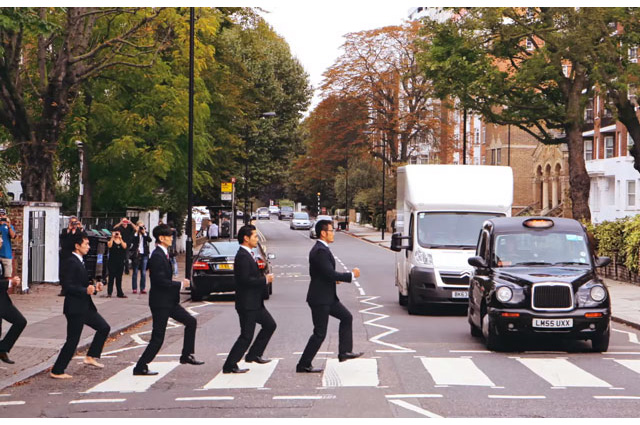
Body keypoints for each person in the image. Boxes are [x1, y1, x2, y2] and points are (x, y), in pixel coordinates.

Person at [133, 224, 203, 376]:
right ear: (161, 238)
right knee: (158, 338)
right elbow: (159, 281)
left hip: (169, 301)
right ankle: (140, 366)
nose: (172, 238)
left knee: (191, 321)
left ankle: (186, 355)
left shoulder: (163, 254)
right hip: (160, 303)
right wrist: (180, 284)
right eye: (169, 236)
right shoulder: (157, 256)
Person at [296, 220, 363, 373]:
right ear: (323, 233)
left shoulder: (323, 249)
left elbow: (324, 274)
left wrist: (335, 279)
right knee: (320, 333)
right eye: (331, 231)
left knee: (346, 317)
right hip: (320, 299)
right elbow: (329, 273)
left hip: (328, 297)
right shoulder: (320, 251)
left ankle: (344, 352)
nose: (333, 233)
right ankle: (303, 364)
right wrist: (351, 275)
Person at [50, 232, 110, 379]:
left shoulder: (80, 261)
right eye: (86, 244)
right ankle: (57, 370)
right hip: (75, 308)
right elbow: (67, 286)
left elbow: (82, 283)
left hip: (85, 306)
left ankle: (91, 356)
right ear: (77, 246)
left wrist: (94, 287)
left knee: (104, 327)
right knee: (73, 340)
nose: (88, 247)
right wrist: (85, 290)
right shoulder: (71, 262)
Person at [222, 225, 276, 374]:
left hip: (255, 303)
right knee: (246, 336)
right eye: (255, 236)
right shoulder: (242, 256)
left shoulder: (248, 254)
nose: (257, 239)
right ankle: (229, 365)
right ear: (246, 238)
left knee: (270, 325)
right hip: (247, 304)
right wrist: (265, 280)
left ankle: (254, 354)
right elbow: (245, 280)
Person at [0, 236, 26, 365]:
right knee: (19, 321)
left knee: (20, 321)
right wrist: (10, 283)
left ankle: (2, 348)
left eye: (1, 238)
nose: (1, 241)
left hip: (2, 299)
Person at [59, 217, 84, 296]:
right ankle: (64, 289)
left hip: (75, 253)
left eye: (75, 222)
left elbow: (84, 239)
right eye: (72, 222)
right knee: (64, 272)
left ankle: (75, 289)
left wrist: (81, 228)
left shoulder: (79, 231)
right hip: (66, 254)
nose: (74, 224)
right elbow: (62, 241)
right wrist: (69, 230)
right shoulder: (65, 231)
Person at [131, 221, 152, 295]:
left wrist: (144, 233)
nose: (141, 228)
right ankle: (134, 288)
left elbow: (150, 240)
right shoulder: (134, 233)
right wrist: (136, 232)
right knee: (135, 271)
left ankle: (142, 288)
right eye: (139, 226)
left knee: (143, 272)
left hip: (144, 254)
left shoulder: (145, 233)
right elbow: (132, 240)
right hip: (136, 254)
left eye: (142, 226)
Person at [106, 230, 128, 298]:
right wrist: (112, 237)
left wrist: (120, 239)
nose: (116, 234)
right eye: (115, 232)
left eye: (118, 233)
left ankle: (120, 293)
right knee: (111, 278)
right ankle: (109, 292)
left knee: (119, 278)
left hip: (120, 262)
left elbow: (125, 246)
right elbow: (109, 245)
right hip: (112, 262)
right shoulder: (111, 240)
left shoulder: (122, 240)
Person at [0, 208, 17, 280]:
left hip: (6, 254)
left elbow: (13, 236)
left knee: (7, 276)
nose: (1, 216)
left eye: (3, 215)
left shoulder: (8, 226)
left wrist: (9, 226)